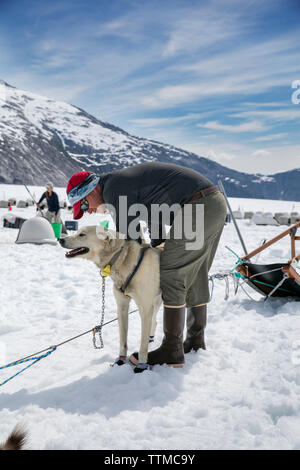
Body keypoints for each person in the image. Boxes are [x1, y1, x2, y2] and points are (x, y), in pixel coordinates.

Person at [66, 162, 227, 368]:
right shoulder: (121, 184)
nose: (87, 212)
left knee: (171, 274)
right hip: (213, 203)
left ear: (91, 189)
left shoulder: (114, 189)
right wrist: (157, 245)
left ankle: (172, 350)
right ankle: (195, 341)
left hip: (197, 207)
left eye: (85, 205)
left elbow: (130, 240)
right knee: (194, 272)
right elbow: (154, 213)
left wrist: (129, 273)